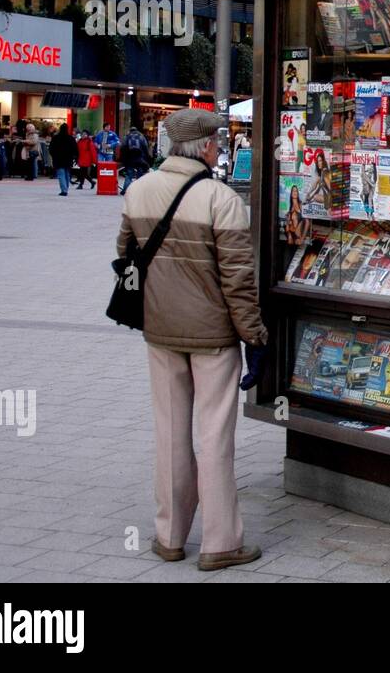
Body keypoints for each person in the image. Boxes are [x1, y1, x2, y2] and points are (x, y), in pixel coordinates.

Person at [117, 108, 268, 570]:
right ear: (204, 146)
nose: (218, 148)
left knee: (169, 434)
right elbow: (239, 281)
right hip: (214, 337)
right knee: (214, 437)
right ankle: (221, 543)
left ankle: (170, 536)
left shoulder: (137, 190)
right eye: (216, 143)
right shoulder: (220, 199)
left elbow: (125, 256)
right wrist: (254, 338)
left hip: (160, 332)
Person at [120, 125, 151, 194]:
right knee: (139, 175)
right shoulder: (141, 136)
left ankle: (125, 190)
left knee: (129, 175)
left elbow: (123, 148)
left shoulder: (127, 137)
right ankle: (139, 190)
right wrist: (147, 158)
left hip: (130, 159)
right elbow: (146, 147)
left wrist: (123, 159)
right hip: (140, 158)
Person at [49, 124, 77, 196]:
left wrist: (54, 156)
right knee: (67, 174)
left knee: (61, 175)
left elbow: (51, 149)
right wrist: (74, 157)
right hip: (68, 159)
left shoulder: (55, 138)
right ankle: (66, 188)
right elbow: (75, 149)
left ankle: (64, 190)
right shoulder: (71, 138)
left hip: (58, 159)